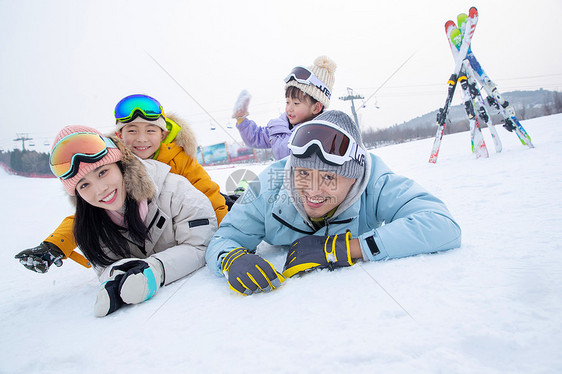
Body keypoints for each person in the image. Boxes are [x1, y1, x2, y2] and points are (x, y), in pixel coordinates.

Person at [205, 110, 462, 295]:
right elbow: (224, 238)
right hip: (252, 196)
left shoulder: (374, 181)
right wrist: (231, 259)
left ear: (354, 178)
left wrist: (347, 249)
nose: (313, 191)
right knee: (238, 197)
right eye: (303, 173)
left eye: (329, 177)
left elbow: (441, 225)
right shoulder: (269, 184)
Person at [17, 125, 218, 317]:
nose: (100, 190)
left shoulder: (176, 192)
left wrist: (156, 269)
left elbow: (201, 245)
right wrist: (117, 278)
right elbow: (104, 267)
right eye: (84, 185)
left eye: (103, 172)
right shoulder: (91, 224)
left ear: (121, 165)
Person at [15, 94, 228, 272]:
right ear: (120, 134)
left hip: (182, 221)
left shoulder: (177, 159)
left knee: (226, 202)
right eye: (132, 130)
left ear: (163, 134)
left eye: (150, 130)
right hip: (153, 237)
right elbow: (89, 214)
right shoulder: (109, 164)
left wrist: (227, 234)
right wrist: (55, 244)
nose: (141, 139)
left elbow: (206, 193)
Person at [233, 56, 337, 160]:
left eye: (296, 103)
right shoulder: (279, 128)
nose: (289, 109)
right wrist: (241, 118)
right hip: (284, 175)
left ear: (316, 108)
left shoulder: (323, 133)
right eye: (287, 102)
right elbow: (256, 137)